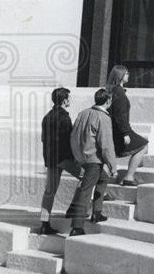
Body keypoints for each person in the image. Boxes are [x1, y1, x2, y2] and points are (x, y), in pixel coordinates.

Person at [66, 88, 116, 236]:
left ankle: (97, 212)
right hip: (94, 160)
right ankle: (77, 226)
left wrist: (78, 156)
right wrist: (113, 166)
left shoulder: (83, 113)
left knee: (103, 180)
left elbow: (73, 136)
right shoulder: (104, 118)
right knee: (86, 191)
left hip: (82, 157)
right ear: (108, 101)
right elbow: (106, 144)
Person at [37, 87, 83, 236]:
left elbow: (44, 139)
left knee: (49, 191)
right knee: (87, 178)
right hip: (64, 158)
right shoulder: (65, 117)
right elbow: (70, 141)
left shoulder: (47, 117)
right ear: (64, 100)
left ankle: (44, 223)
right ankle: (74, 208)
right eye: (69, 98)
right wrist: (76, 159)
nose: (70, 100)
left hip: (50, 159)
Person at [106, 65, 149, 187]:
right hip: (120, 130)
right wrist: (125, 133)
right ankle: (129, 177)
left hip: (113, 129)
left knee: (109, 155)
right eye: (126, 73)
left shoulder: (112, 90)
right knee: (143, 145)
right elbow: (120, 115)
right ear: (120, 76)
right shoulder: (118, 92)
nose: (128, 75)